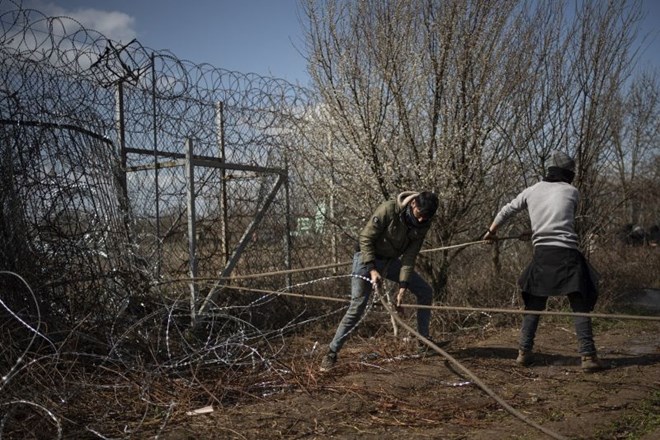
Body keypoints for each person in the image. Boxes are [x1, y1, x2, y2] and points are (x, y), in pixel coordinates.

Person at [483, 151, 606, 372]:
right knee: (580, 304)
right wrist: (538, 229)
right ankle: (588, 357)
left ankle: (524, 352)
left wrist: (491, 232)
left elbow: (507, 209)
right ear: (569, 173)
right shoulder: (572, 192)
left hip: (543, 255)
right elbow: (560, 218)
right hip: (567, 254)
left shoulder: (531, 191)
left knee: (534, 305)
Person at [320, 191, 440, 372]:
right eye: (420, 214)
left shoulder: (423, 224)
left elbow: (409, 257)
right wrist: (372, 269)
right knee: (358, 306)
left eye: (427, 217)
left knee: (425, 291)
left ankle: (423, 342)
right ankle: (331, 353)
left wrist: (402, 288)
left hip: (391, 261)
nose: (422, 219)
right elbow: (365, 238)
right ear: (413, 204)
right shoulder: (390, 209)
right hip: (367, 257)